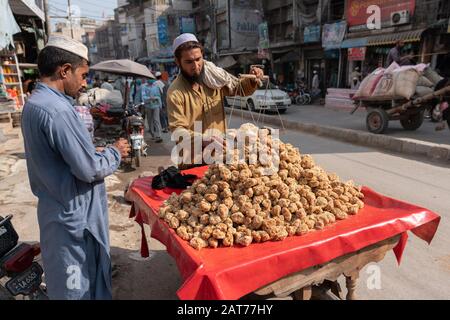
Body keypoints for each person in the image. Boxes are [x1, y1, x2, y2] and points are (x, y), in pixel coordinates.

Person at [20, 34, 130, 300]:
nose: (85, 82)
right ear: (64, 70)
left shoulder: (34, 104)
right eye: (82, 75)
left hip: (57, 214)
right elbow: (89, 170)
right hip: (73, 221)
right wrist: (115, 152)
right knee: (77, 289)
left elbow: (64, 157)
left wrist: (93, 153)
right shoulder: (58, 110)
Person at [166, 33, 264, 168]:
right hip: (194, 162)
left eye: (198, 59)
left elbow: (239, 88)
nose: (196, 66)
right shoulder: (175, 92)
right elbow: (177, 130)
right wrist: (203, 139)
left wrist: (253, 78)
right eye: (189, 62)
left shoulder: (213, 79)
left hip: (220, 157)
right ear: (177, 62)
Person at [142, 78, 163, 143]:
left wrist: (160, 105)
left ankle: (159, 135)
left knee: (156, 120)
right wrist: (149, 98)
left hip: (156, 105)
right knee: (149, 120)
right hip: (148, 106)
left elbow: (159, 96)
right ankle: (153, 134)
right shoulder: (144, 87)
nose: (151, 80)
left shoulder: (156, 87)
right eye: (149, 79)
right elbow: (143, 97)